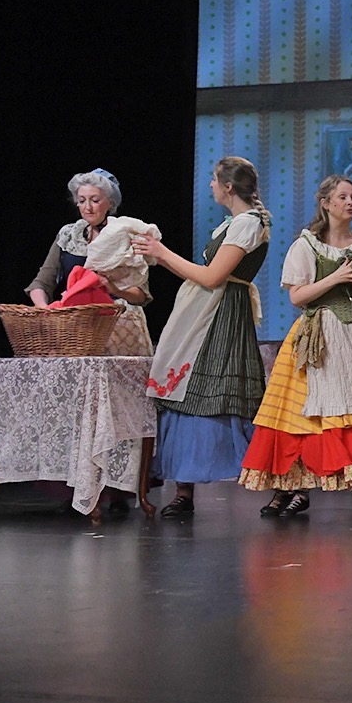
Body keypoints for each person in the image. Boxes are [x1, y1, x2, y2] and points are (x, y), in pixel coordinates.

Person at [239, 175, 352, 518]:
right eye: (343, 197)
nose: (350, 202)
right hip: (319, 335)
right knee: (306, 414)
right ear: (326, 203)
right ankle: (300, 487)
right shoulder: (307, 244)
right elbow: (298, 296)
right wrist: (337, 278)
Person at [133, 156, 272, 517]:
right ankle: (183, 489)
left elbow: (212, 277)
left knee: (215, 394)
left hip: (220, 317)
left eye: (214, 180)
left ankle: (280, 482)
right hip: (203, 313)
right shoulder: (232, 225)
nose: (210, 185)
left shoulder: (248, 224)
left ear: (228, 186)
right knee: (185, 393)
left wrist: (162, 254)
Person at [26, 168, 152, 357]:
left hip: (117, 326)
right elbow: (42, 282)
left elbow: (141, 295)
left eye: (95, 200)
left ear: (110, 203)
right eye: (82, 201)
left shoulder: (126, 234)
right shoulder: (69, 235)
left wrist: (113, 289)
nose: (88, 207)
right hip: (74, 328)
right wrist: (45, 311)